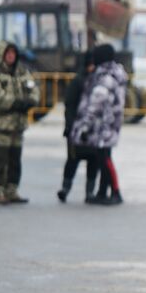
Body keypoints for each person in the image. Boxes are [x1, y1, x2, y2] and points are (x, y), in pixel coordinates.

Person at [69, 44, 127, 206]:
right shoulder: (115, 73)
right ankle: (102, 192)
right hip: (110, 123)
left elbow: (96, 102)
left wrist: (85, 125)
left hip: (103, 124)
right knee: (104, 157)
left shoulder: (105, 77)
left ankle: (115, 192)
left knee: (105, 159)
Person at [0, 41, 40, 205]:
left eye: (13, 54)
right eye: (8, 54)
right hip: (1, 125)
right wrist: (15, 103)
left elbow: (33, 89)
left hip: (18, 125)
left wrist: (30, 101)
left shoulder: (22, 71)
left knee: (15, 159)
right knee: (0, 159)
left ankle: (11, 189)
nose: (11, 57)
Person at [58, 52, 101, 203]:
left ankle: (90, 192)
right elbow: (69, 105)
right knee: (72, 160)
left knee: (93, 161)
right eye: (90, 64)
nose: (92, 67)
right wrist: (69, 126)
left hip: (93, 131)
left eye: (94, 64)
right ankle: (65, 189)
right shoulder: (78, 81)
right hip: (76, 129)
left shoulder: (99, 82)